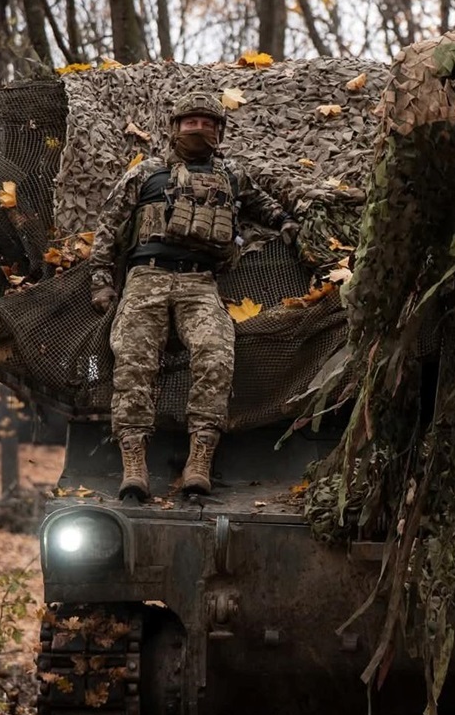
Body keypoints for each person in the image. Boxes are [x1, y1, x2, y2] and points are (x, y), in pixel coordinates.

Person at [89, 91, 299, 499]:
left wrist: (285, 221)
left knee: (216, 353)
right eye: (191, 122)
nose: (198, 129)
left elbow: (263, 204)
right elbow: (109, 226)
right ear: (175, 128)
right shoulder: (146, 173)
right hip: (146, 279)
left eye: (207, 123)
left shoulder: (232, 176)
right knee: (132, 359)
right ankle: (134, 463)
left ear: (219, 131)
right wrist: (101, 280)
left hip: (200, 283)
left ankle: (200, 458)